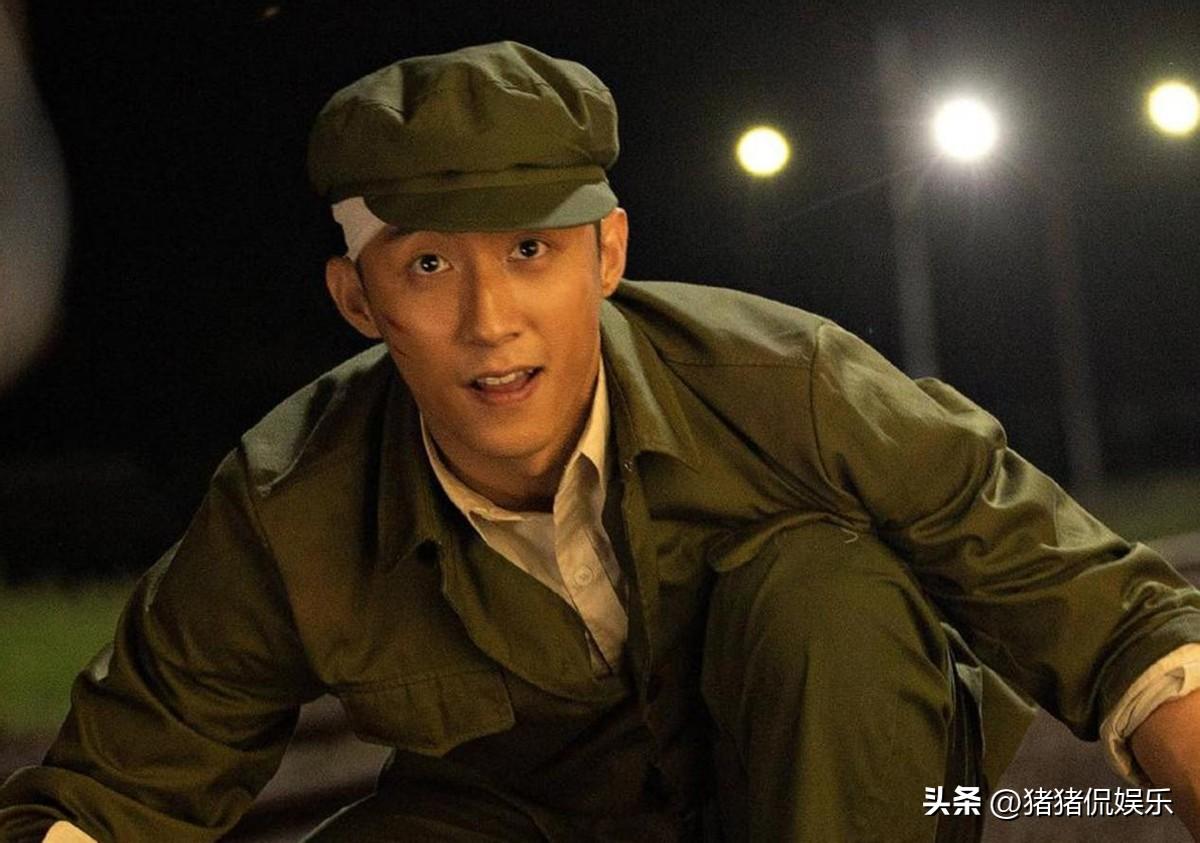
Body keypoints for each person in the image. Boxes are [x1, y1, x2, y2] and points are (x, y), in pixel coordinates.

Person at [2, 40, 1200, 843]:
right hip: (531, 818)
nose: (491, 321)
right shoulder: (291, 503)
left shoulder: (784, 384)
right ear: (358, 299)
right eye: (430, 266)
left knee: (824, 593)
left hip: (833, 801)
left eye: (531, 251)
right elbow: (112, 791)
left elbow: (1091, 604)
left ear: (608, 255)